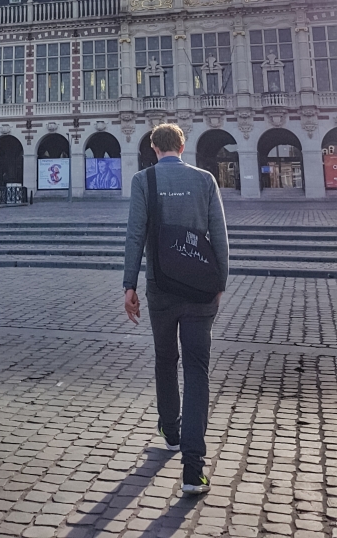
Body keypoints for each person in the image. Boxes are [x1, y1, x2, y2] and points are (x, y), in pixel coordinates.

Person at [123, 123, 229, 496]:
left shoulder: (143, 181)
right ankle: (193, 470)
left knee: (165, 358)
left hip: (161, 288)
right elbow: (219, 236)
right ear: (182, 146)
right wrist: (220, 283)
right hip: (201, 288)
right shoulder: (204, 180)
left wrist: (129, 285)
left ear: (154, 148)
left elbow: (135, 234)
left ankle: (170, 431)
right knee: (197, 370)